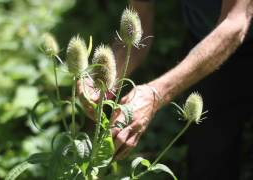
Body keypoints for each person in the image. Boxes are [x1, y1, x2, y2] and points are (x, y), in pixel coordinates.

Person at [78, 0, 253, 179]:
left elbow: (235, 23)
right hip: (206, 44)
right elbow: (140, 22)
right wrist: (104, 76)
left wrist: (156, 93)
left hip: (230, 33)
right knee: (209, 162)